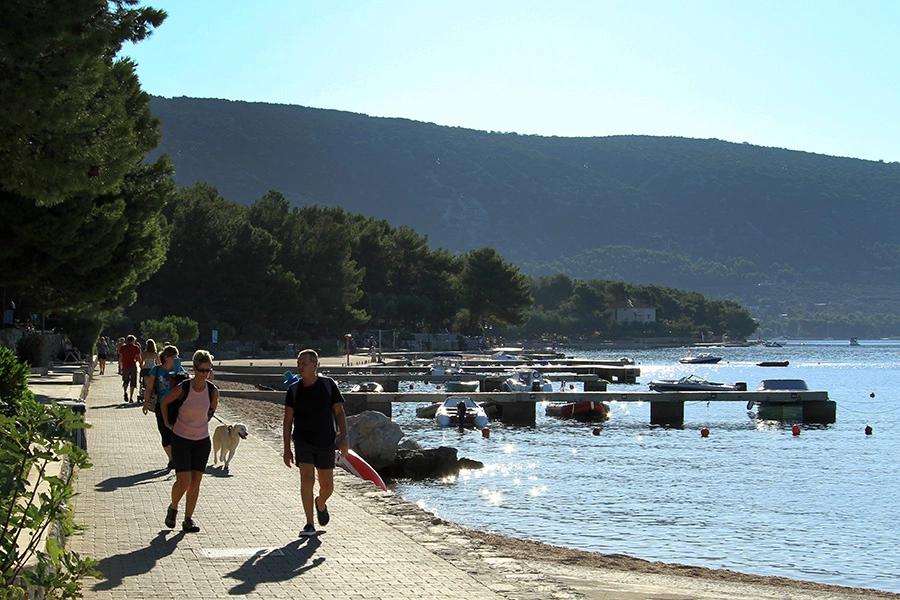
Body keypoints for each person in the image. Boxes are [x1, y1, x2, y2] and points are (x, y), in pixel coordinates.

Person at [283, 349, 349, 537]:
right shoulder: (294, 390)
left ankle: (320, 503)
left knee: (327, 486)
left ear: (315, 365)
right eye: (298, 363)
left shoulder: (328, 385)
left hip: (326, 442)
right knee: (307, 479)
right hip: (303, 441)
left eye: (303, 363)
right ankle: (309, 524)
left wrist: (345, 438)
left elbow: (339, 413)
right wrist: (287, 449)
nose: (300, 367)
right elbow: (288, 421)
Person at [160, 349, 218, 533]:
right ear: (193, 368)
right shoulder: (184, 388)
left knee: (195, 482)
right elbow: (164, 402)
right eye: (201, 370)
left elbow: (211, 411)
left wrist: (201, 422)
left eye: (207, 370)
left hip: (201, 441)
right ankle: (173, 507)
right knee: (183, 480)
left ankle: (188, 519)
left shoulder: (212, 391)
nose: (204, 374)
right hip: (181, 439)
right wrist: (168, 423)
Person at [143, 345, 186, 470]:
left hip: (176, 405)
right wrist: (146, 403)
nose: (176, 358)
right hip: (161, 404)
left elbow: (185, 385)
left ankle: (174, 460)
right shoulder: (156, 370)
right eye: (174, 356)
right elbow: (150, 387)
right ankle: (172, 459)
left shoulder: (179, 369)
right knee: (164, 432)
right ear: (166, 357)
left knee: (176, 433)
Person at [118, 335, 142, 403]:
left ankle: (125, 391)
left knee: (125, 380)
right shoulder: (136, 347)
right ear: (133, 340)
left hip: (125, 365)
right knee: (133, 381)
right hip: (133, 365)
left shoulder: (123, 347)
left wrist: (120, 366)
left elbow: (120, 357)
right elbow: (139, 357)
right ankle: (131, 397)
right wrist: (141, 365)